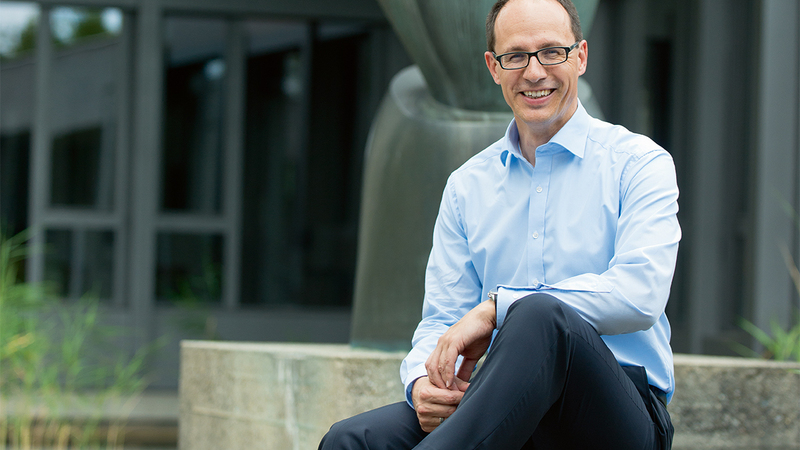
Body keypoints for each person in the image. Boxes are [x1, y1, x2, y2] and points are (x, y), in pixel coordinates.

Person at [320, 0, 679, 448]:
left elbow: (640, 294)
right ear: (494, 67)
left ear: (581, 56)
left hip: (617, 412)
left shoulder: (639, 163)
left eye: (552, 52)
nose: (534, 72)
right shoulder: (466, 186)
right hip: (505, 398)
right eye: (516, 56)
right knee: (352, 439)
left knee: (538, 314)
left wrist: (497, 308)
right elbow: (442, 319)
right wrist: (420, 382)